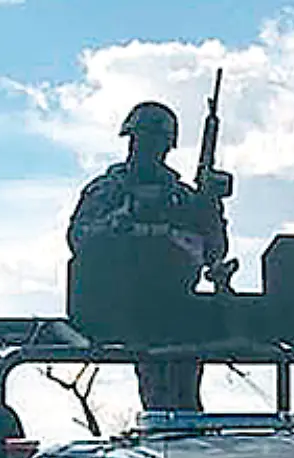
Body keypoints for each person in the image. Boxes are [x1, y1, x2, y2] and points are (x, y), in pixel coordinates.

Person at [66, 101, 232, 411]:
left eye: (156, 142)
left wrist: (210, 205)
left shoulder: (181, 197)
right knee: (157, 386)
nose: (147, 149)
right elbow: (79, 238)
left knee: (184, 389)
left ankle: (184, 428)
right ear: (130, 140)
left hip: (178, 305)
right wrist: (116, 222)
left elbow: (214, 251)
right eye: (142, 140)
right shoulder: (107, 191)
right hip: (121, 305)